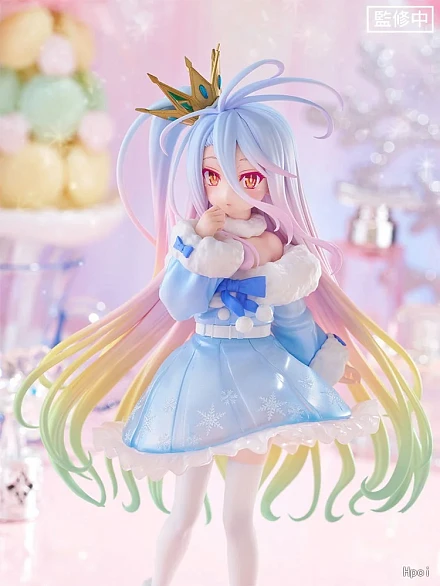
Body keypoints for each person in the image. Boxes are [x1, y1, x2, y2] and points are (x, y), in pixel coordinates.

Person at [14, 46, 432, 586]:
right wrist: (201, 248)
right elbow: (179, 303)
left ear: (272, 181)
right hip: (200, 377)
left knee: (238, 518)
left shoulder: (280, 254)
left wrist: (324, 362)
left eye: (248, 178)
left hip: (261, 380)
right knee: (184, 512)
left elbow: (294, 319)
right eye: (214, 174)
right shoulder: (194, 243)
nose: (228, 191)